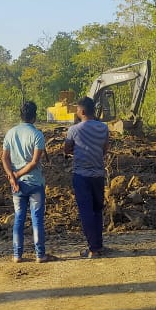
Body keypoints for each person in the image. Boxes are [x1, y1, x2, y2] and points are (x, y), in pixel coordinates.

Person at [1, 100, 49, 263]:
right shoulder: (37, 135)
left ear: (20, 115)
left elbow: (4, 158)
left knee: (19, 218)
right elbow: (35, 162)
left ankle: (17, 254)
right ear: (34, 116)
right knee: (37, 219)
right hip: (35, 183)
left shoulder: (10, 133)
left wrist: (12, 176)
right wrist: (18, 174)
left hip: (17, 186)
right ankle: (40, 254)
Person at [63, 95, 110, 258]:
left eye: (76, 109)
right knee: (97, 210)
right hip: (98, 175)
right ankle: (99, 245)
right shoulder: (103, 128)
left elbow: (67, 149)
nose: (76, 112)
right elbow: (105, 149)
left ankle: (93, 249)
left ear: (82, 111)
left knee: (86, 212)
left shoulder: (74, 130)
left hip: (81, 175)